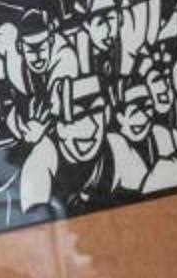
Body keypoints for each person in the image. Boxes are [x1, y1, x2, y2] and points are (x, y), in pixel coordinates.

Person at [16, 72, 121, 216]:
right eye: (76, 116)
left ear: (107, 115)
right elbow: (35, 223)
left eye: (96, 112)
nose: (91, 127)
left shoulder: (115, 146)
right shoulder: (42, 160)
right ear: (57, 125)